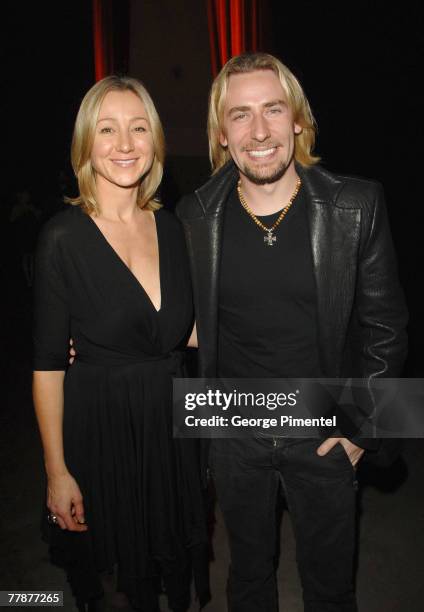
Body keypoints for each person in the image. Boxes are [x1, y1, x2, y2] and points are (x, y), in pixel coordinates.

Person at [177, 53, 408, 612]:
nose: (259, 131)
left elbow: (387, 326)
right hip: (232, 425)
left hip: (324, 425)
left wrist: (362, 427)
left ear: (298, 120)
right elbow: (172, 319)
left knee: (331, 588)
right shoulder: (192, 216)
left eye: (273, 110)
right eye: (240, 115)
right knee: (248, 581)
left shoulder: (356, 204)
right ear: (221, 134)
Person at [33, 76, 209, 612]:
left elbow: (190, 332)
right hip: (102, 435)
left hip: (172, 432)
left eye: (138, 128)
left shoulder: (175, 228)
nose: (125, 144)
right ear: (86, 143)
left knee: (171, 572)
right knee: (116, 589)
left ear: (155, 141)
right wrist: (57, 472)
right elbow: (46, 368)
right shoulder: (62, 238)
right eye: (107, 129)